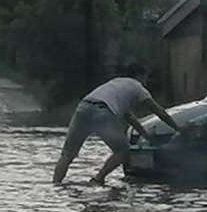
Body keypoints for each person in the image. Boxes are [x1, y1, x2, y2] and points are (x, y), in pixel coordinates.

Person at [53, 63, 183, 186]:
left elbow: (129, 117)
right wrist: (178, 128)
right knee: (123, 150)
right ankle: (98, 179)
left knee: (67, 154)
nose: (146, 81)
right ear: (140, 76)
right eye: (146, 77)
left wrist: (145, 135)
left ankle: (56, 186)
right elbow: (159, 111)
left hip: (83, 107)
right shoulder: (138, 87)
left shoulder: (116, 83)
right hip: (102, 111)